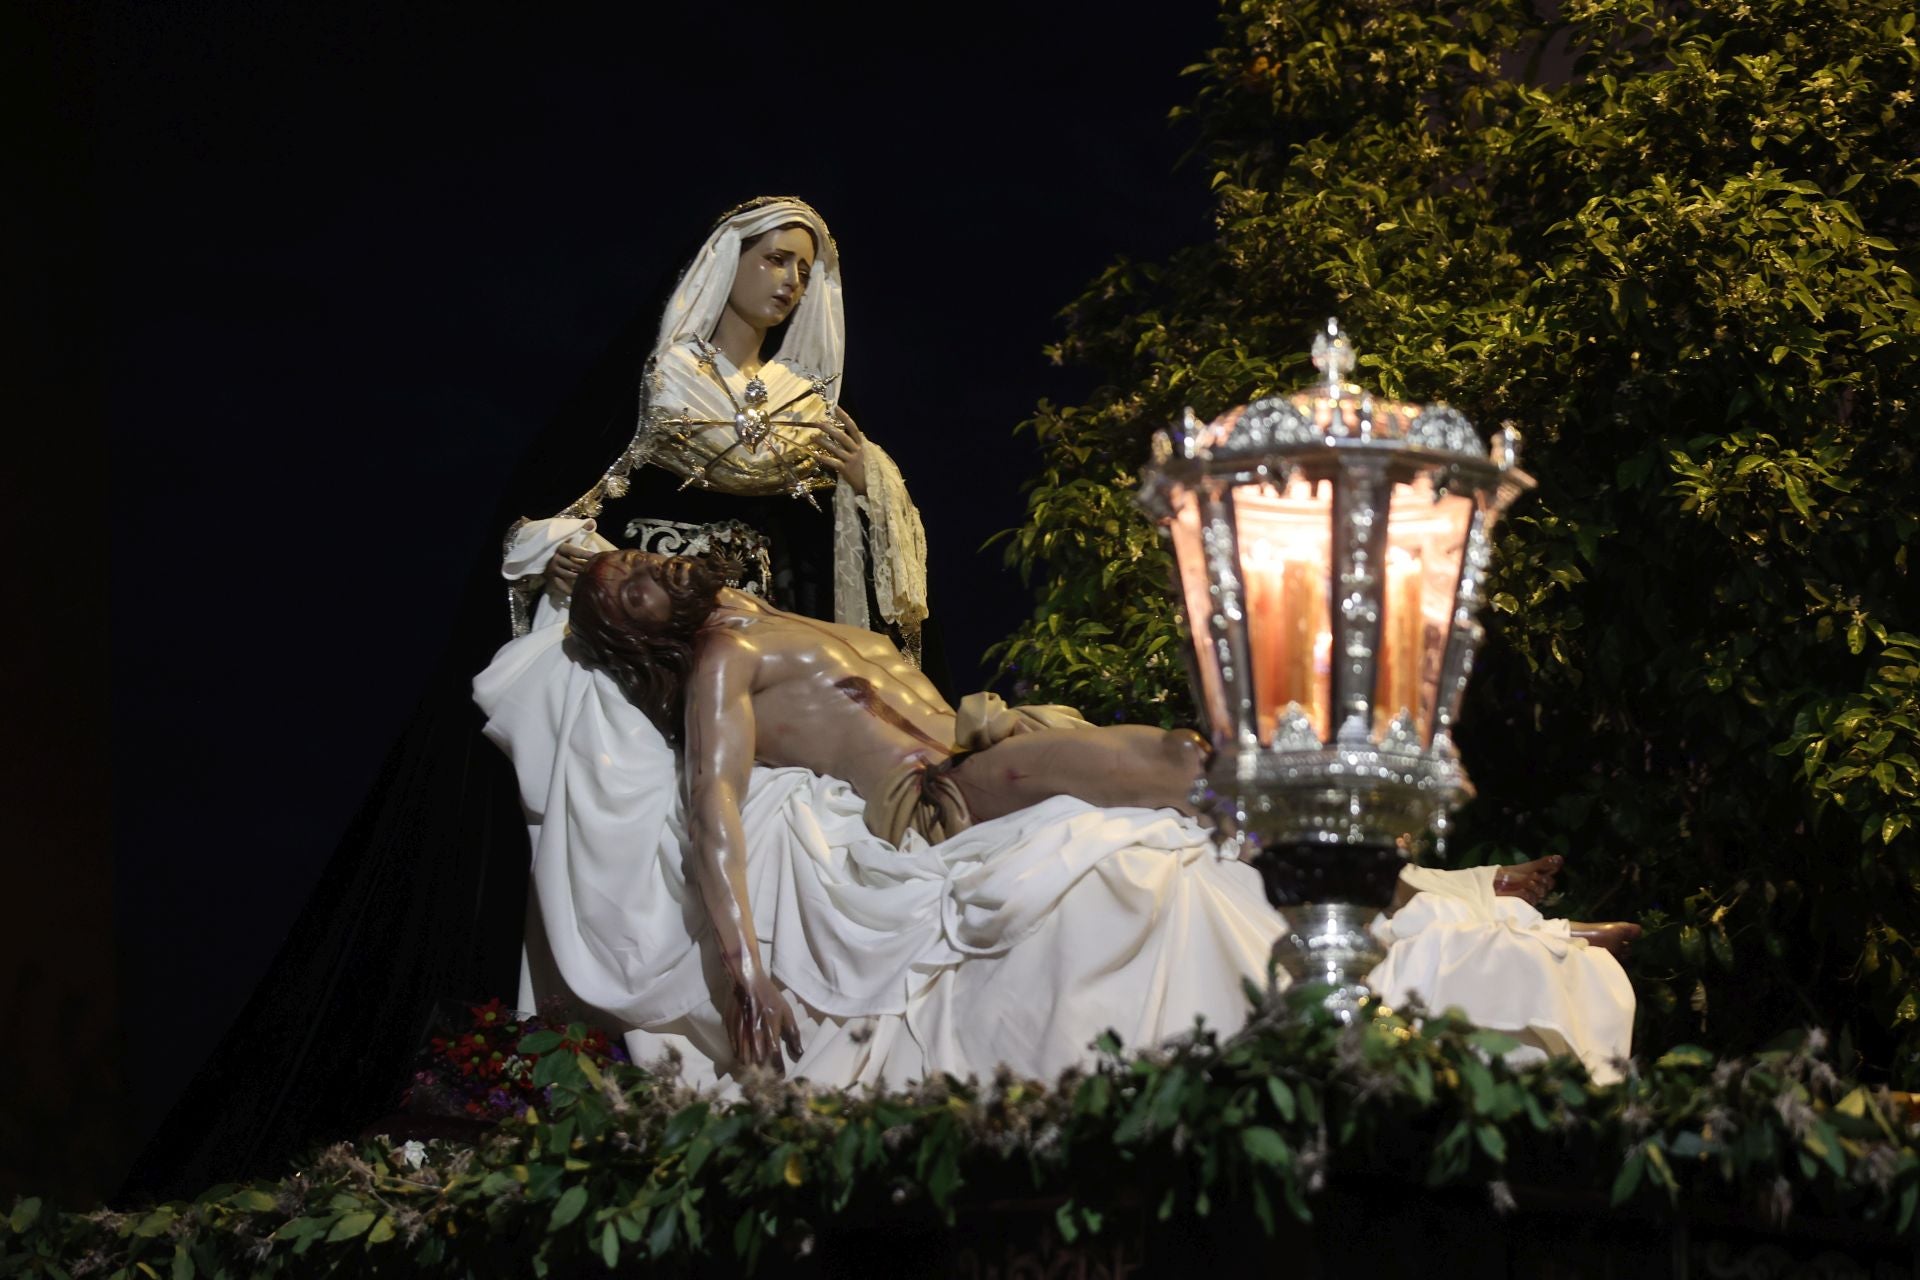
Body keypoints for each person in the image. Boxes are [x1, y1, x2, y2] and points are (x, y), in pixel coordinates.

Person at [526, 548, 1638, 1079]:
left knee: (1196, 776)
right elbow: (708, 804)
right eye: (626, 587)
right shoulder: (725, 658)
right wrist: (744, 964)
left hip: (980, 747)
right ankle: (1445, 898)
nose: (645, 569)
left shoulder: (776, 616)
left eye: (639, 559)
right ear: (640, 635)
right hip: (940, 800)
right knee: (1177, 759)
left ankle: (1455, 917)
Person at [503, 195, 929, 661]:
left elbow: (820, 549)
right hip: (644, 616)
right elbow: (569, 486)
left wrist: (868, 485)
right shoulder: (663, 377)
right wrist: (553, 550)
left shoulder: (805, 401)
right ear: (729, 259)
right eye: (776, 259)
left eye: (805, 272)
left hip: (756, 628)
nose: (791, 282)